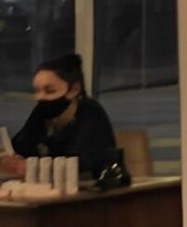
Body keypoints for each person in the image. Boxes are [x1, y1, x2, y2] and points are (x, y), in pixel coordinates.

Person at [8, 52, 126, 185]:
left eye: (50, 91)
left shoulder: (91, 112)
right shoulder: (42, 112)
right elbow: (20, 145)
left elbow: (81, 163)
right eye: (36, 91)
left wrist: (31, 165)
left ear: (74, 90)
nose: (39, 97)